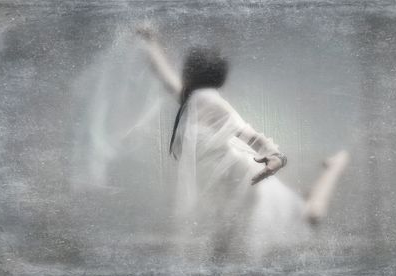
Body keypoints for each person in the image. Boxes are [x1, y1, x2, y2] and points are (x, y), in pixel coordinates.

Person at [135, 27, 349, 262]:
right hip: (228, 186)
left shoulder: (207, 100)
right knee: (229, 248)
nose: (182, 72)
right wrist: (150, 42)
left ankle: (335, 166)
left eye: (186, 68)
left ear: (192, 74)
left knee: (309, 217)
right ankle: (320, 178)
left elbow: (249, 134)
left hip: (244, 183)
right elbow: (166, 78)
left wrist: (277, 157)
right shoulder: (192, 101)